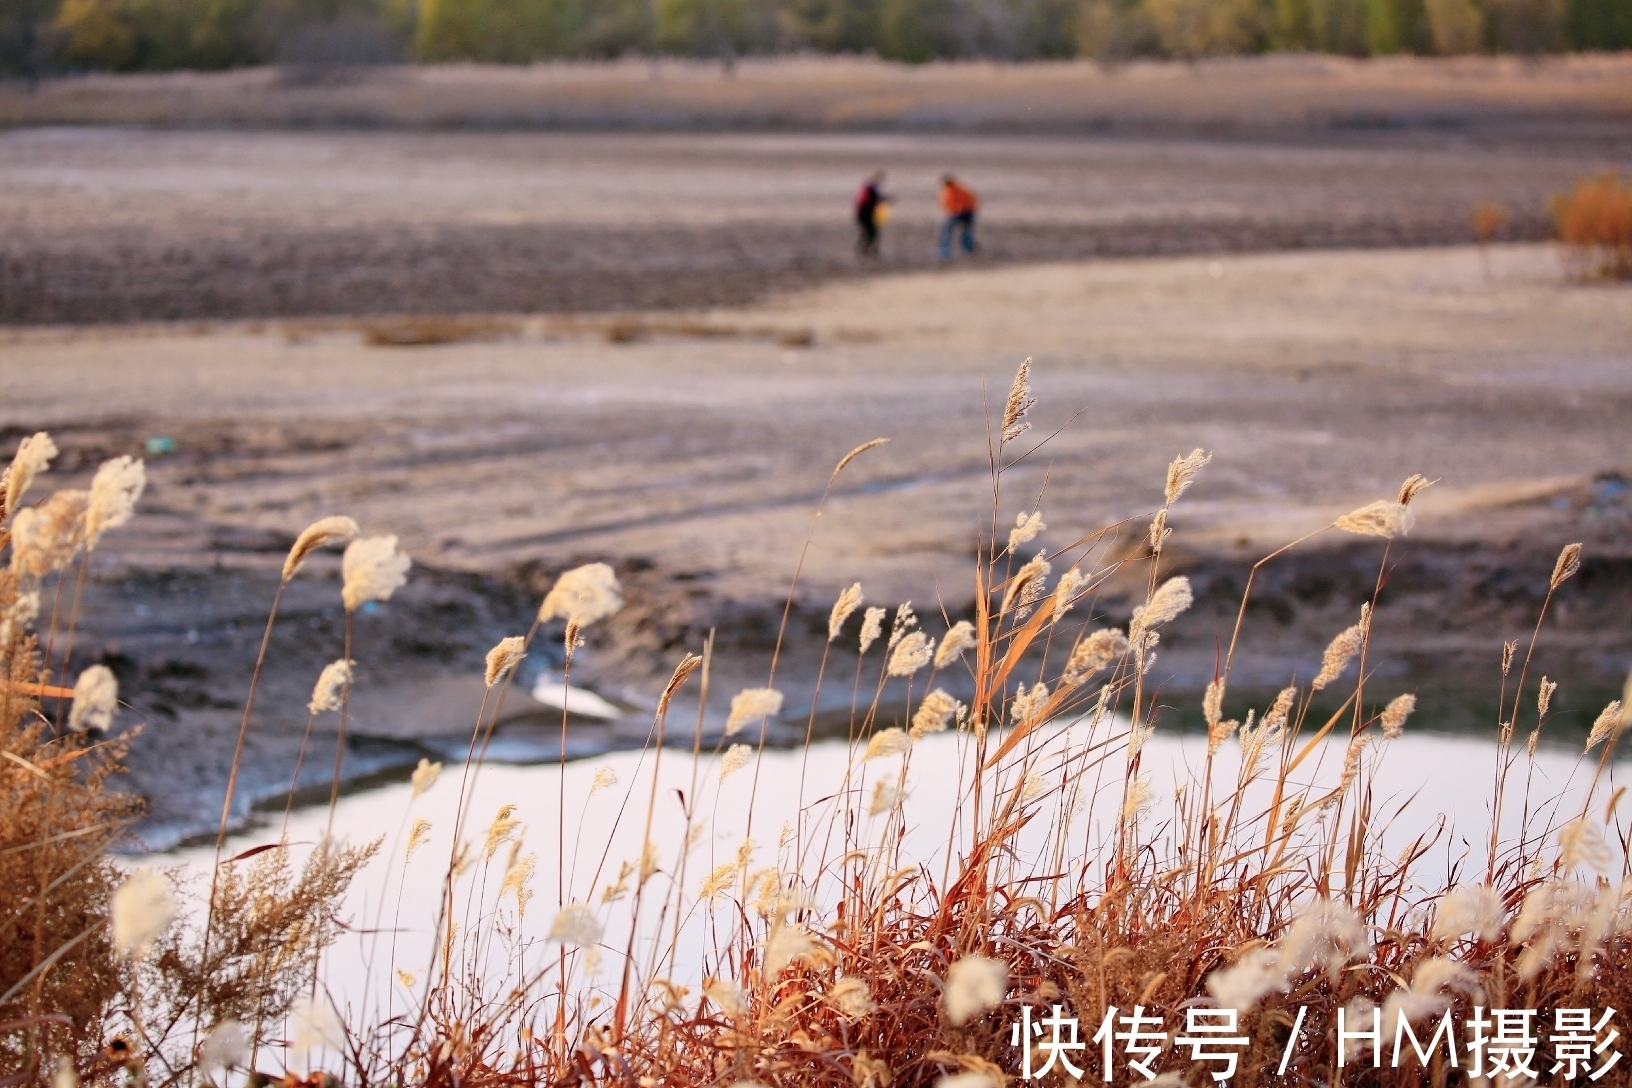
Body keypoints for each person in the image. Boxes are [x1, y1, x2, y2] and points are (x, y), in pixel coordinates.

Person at [939, 174, 979, 259]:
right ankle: (968, 250)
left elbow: (950, 203)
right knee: (966, 232)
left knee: (946, 230)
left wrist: (956, 210)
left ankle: (945, 250)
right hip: (969, 212)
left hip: (959, 213)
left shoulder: (950, 190)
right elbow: (973, 199)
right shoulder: (961, 188)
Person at [854, 171, 888, 259]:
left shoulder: (868, 188)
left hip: (865, 214)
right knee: (871, 232)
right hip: (867, 214)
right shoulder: (872, 189)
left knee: (869, 232)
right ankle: (867, 250)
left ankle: (865, 250)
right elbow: (874, 201)